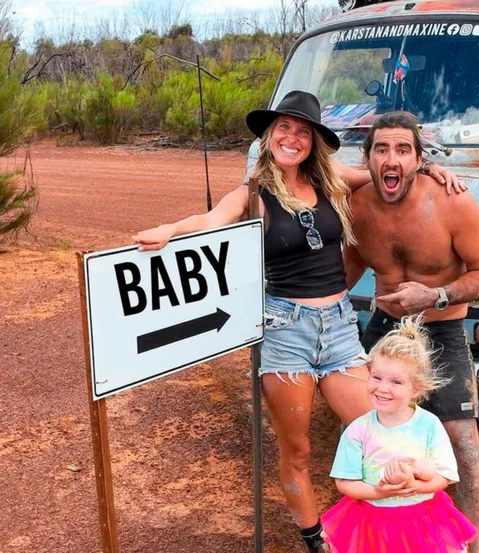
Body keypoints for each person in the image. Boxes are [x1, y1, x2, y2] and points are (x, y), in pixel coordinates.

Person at [132, 92, 461, 553]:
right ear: (270, 136)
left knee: (378, 422)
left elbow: (386, 171)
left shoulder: (330, 180)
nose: (293, 138)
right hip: (287, 331)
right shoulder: (253, 195)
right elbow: (211, 219)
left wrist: (428, 168)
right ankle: (316, 540)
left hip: (340, 327)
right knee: (299, 449)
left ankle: (392, 524)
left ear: (313, 142)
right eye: (285, 128)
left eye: (303, 132)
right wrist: (170, 230)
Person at [343, 111, 479, 553]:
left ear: (418, 159)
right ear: (368, 158)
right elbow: (343, 276)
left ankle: (477, 546)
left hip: (442, 329)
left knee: (464, 447)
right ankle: (380, 537)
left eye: (403, 150)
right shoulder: (357, 206)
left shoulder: (451, 201)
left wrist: (436, 296)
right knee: (364, 431)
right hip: (386, 330)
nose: (391, 159)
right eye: (381, 149)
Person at [321, 315, 477, 553]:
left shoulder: (429, 425)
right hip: (372, 522)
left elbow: (444, 475)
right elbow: (345, 482)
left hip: (422, 521)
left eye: (396, 382)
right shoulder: (357, 430)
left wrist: (415, 485)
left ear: (416, 388)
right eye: (376, 377)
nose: (383, 388)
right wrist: (378, 492)